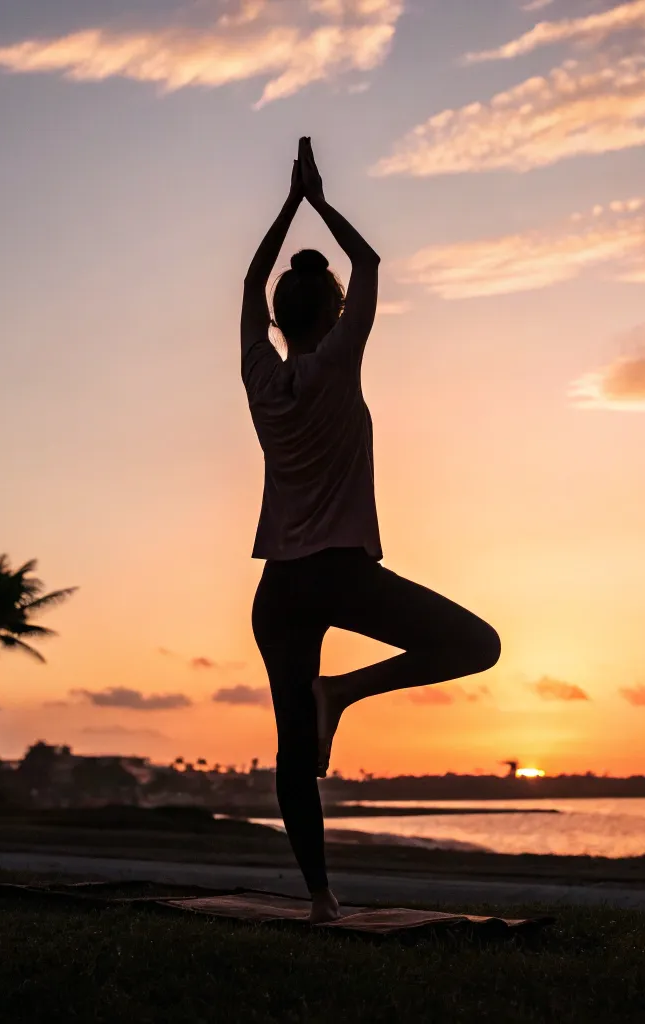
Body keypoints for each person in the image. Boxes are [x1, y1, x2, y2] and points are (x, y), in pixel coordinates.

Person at [241, 138, 501, 923]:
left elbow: (253, 280)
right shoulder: (337, 364)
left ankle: (321, 899)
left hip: (278, 587)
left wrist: (287, 206)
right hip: (341, 573)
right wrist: (317, 199)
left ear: (281, 320)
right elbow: (372, 263)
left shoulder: (261, 373)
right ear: (337, 315)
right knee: (476, 645)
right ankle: (345, 692)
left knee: (293, 751)